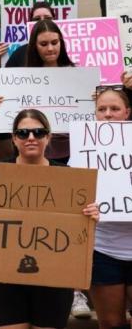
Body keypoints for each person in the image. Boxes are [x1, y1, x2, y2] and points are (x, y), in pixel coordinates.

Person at [0, 109, 99, 329]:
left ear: (48, 137)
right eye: (23, 133)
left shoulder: (70, 178)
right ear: (14, 138)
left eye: (38, 132)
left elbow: (78, 232)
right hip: (4, 277)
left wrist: (90, 216)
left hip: (54, 278)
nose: (31, 138)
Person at [0, 19, 75, 163]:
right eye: (43, 44)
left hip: (68, 152)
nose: (50, 48)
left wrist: (94, 101)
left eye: (54, 42)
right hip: (28, 151)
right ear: (34, 46)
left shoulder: (77, 75)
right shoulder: (21, 78)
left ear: (61, 42)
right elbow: (11, 113)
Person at [86, 87, 132, 329]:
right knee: (111, 323)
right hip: (103, 251)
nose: (108, 114)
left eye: (115, 109)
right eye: (102, 109)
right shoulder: (83, 150)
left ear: (127, 112)